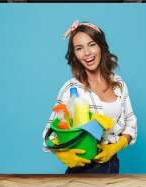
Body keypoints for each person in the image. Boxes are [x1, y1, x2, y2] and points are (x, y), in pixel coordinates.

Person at [43, 20, 137, 174]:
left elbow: (131, 123)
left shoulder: (119, 83)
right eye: (79, 48)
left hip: (112, 165)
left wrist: (117, 146)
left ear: (101, 46)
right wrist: (61, 153)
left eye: (92, 44)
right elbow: (49, 132)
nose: (87, 53)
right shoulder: (71, 88)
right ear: (74, 54)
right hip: (82, 169)